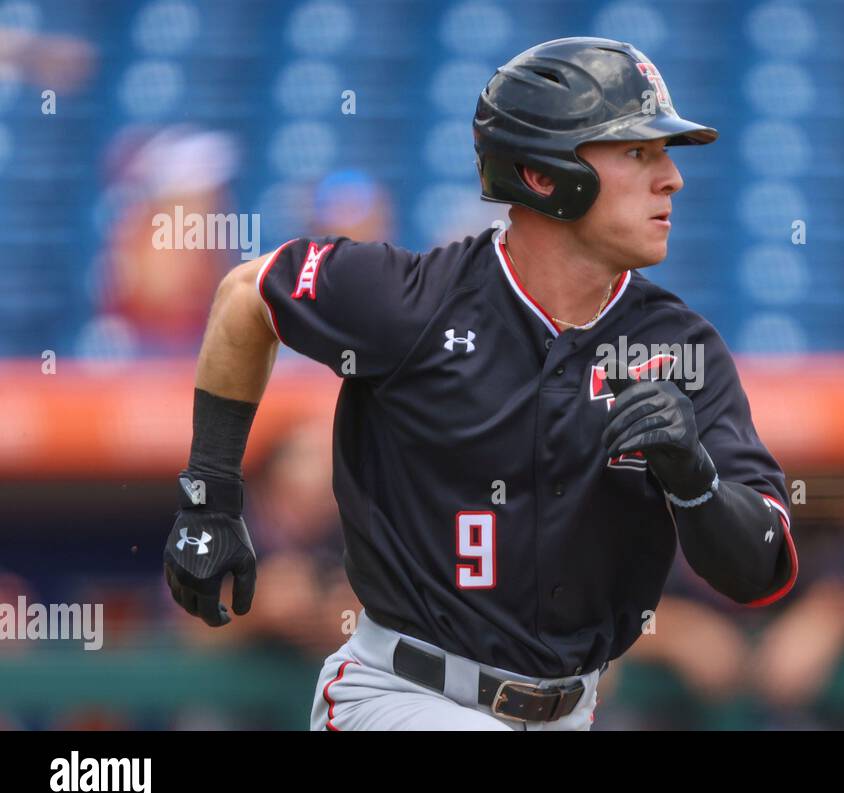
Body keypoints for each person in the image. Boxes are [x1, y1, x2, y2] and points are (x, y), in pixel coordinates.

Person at [161, 37, 797, 731]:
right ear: (545, 174)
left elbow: (761, 569)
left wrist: (696, 482)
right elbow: (244, 297)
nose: (672, 177)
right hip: (403, 695)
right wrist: (209, 498)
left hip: (569, 710)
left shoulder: (681, 347)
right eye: (638, 152)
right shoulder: (413, 300)